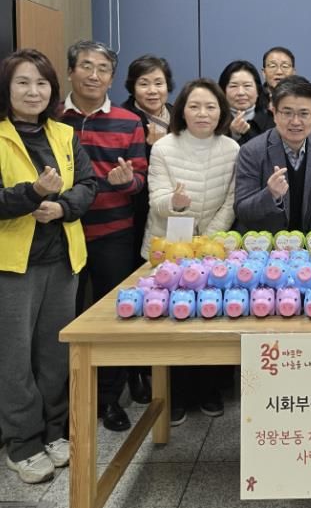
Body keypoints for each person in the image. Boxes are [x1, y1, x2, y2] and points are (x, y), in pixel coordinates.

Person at [0, 49, 96, 484]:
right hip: (13, 266)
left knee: (55, 352)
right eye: (22, 82)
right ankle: (22, 443)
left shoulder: (63, 133)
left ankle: (56, 431)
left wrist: (61, 207)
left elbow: (88, 185)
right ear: (7, 88)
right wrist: (32, 194)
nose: (33, 91)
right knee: (14, 358)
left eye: (41, 83)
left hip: (63, 259)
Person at [60, 40, 148, 433]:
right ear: (70, 71)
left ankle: (110, 397)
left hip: (113, 233)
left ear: (112, 78)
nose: (94, 75)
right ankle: (67, 401)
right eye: (86, 66)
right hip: (61, 235)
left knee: (114, 314)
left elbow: (141, 180)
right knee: (65, 317)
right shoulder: (52, 118)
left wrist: (127, 182)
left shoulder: (129, 122)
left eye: (103, 69)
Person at [141, 78, 239, 424]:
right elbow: (156, 201)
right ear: (181, 110)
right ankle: (176, 394)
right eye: (194, 106)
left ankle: (208, 389)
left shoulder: (232, 148)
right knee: (172, 321)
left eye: (211, 107)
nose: (202, 113)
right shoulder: (163, 148)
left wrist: (207, 241)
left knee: (210, 315)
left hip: (211, 248)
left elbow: (231, 201)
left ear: (221, 112)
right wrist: (176, 203)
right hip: (168, 248)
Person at [121, 54, 175, 405]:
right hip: (136, 216)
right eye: (144, 83)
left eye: (158, 83)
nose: (152, 90)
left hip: (173, 219)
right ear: (132, 87)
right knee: (139, 293)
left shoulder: (178, 116)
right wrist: (148, 146)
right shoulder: (125, 118)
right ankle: (137, 372)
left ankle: (168, 374)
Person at [234, 75, 311, 233]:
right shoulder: (251, 151)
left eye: (304, 113)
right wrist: (270, 194)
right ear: (274, 113)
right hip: (264, 243)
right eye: (287, 113)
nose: (295, 121)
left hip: (309, 242)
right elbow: (242, 211)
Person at [218, 60, 274, 146]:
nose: (241, 92)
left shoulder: (273, 120)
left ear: (258, 90)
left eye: (247, 85)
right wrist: (232, 135)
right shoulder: (216, 120)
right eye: (233, 86)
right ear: (223, 91)